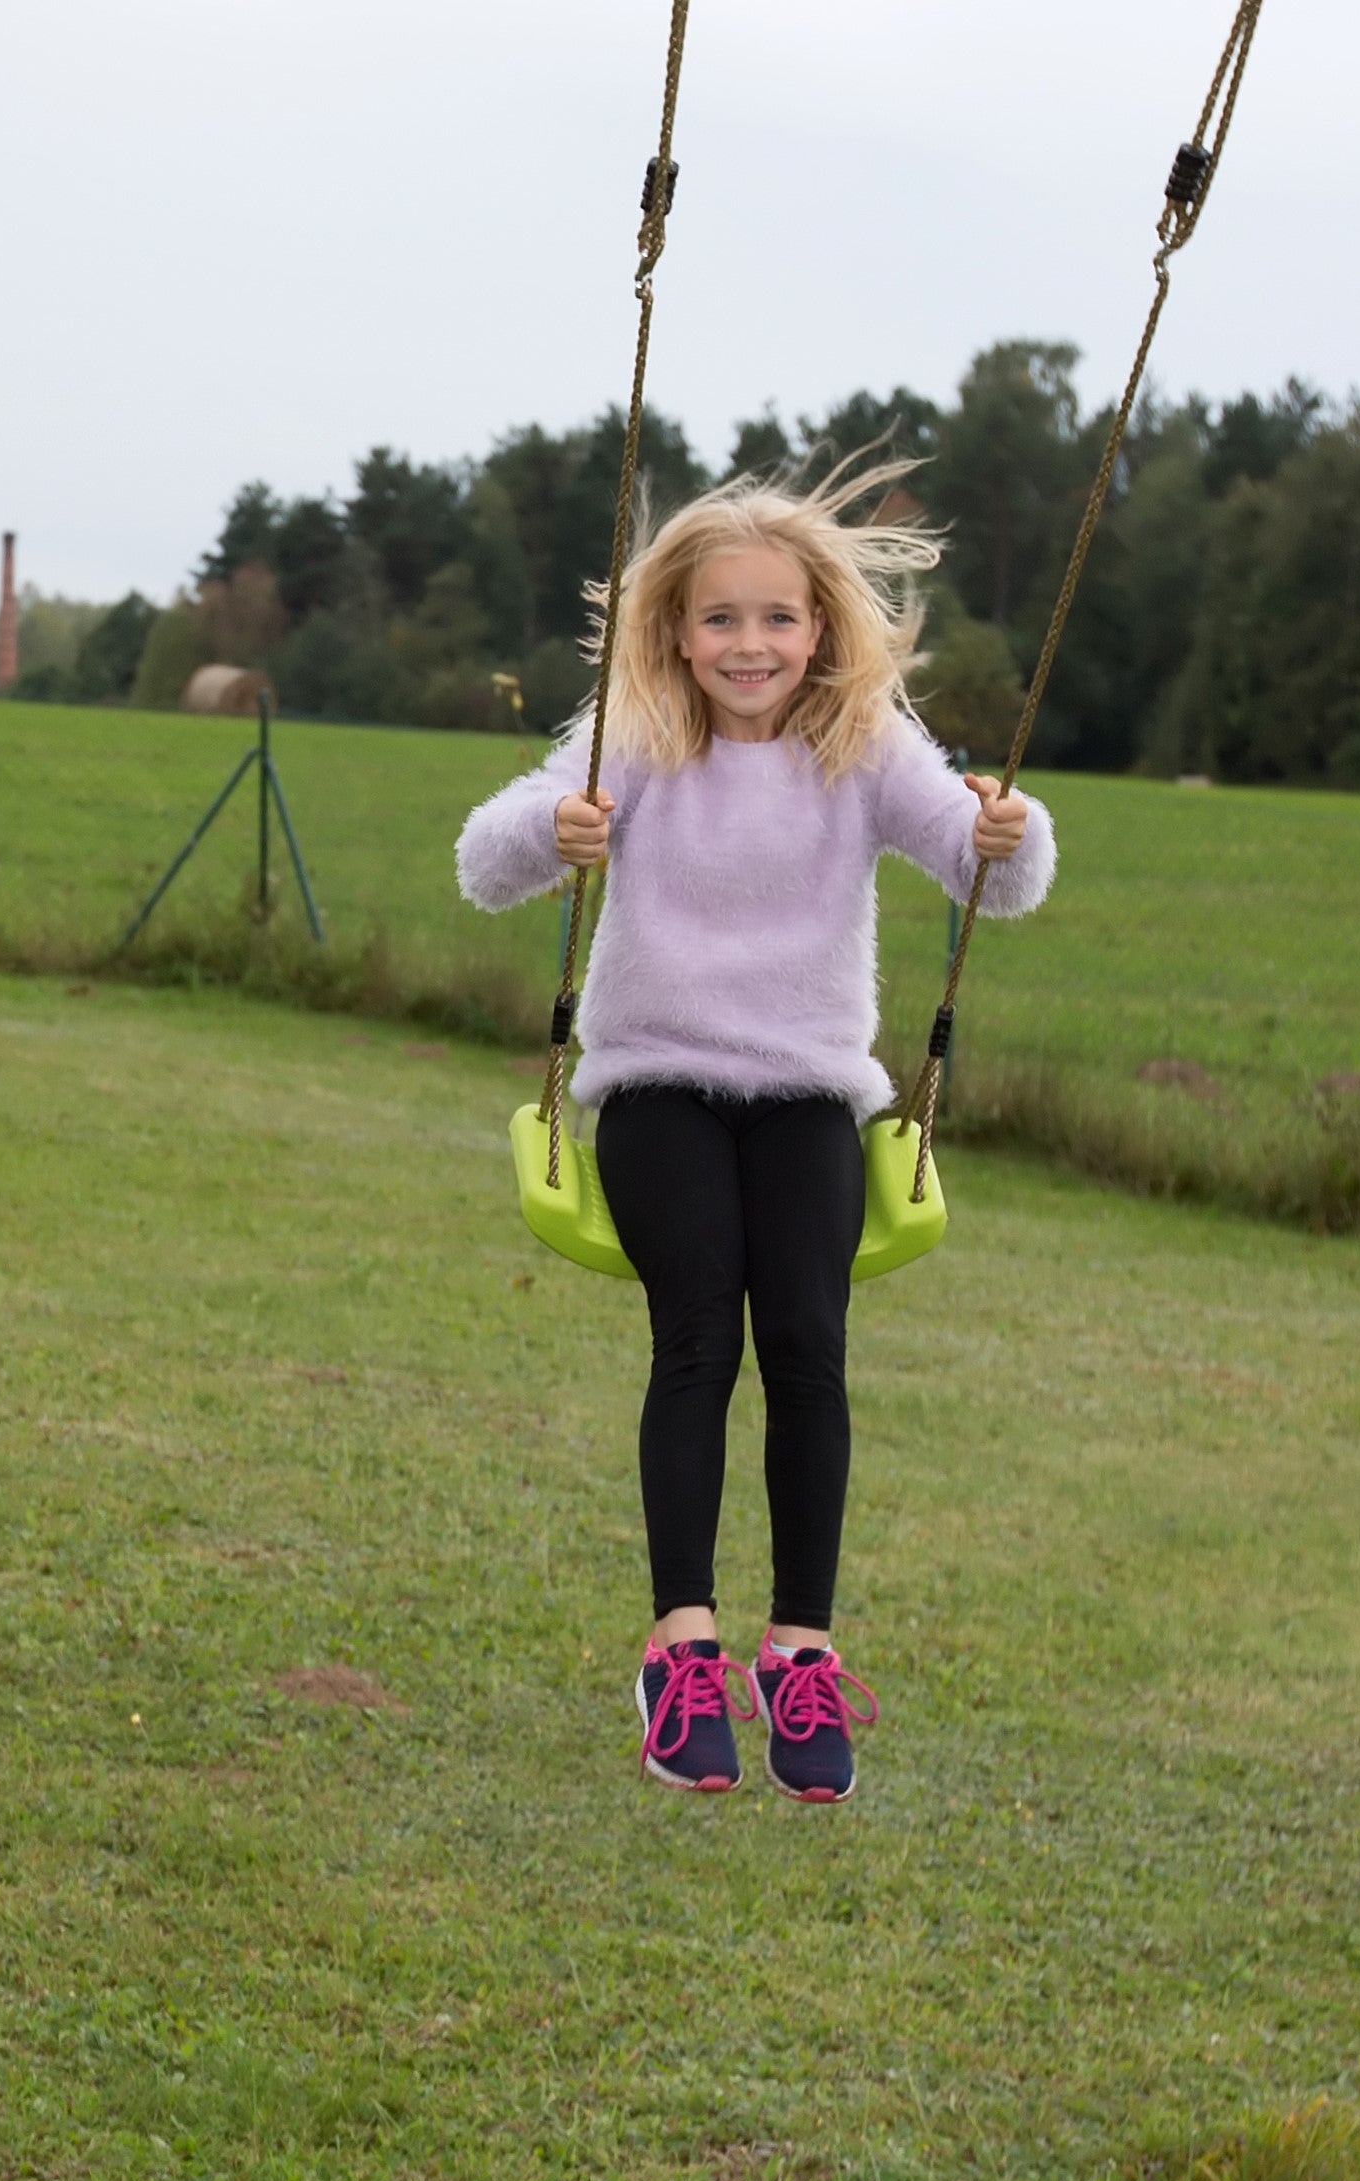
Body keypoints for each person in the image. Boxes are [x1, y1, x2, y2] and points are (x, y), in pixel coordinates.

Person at [457, 461, 1055, 1804]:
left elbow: (987, 877)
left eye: (777, 620)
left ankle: (801, 1652)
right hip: (659, 1082)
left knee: (807, 1339)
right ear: (675, 631)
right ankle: (682, 1654)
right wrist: (555, 830)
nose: (749, 647)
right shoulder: (636, 738)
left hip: (807, 1090)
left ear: (823, 629)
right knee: (698, 1337)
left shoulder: (865, 746)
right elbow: (485, 861)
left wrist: (1012, 832)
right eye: (720, 620)